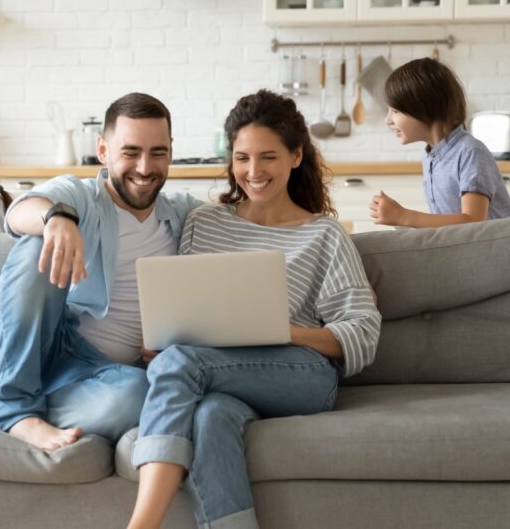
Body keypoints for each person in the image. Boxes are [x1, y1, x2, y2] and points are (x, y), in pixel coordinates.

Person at [127, 90, 381, 529]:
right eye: (242, 158)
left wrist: (284, 330)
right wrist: (162, 337)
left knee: (181, 363)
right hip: (217, 374)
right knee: (210, 416)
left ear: (296, 156)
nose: (253, 172)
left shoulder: (323, 235)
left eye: (268, 157)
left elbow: (362, 332)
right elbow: (185, 303)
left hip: (302, 375)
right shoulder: (206, 222)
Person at [0, 92, 201, 452]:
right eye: (130, 152)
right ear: (103, 150)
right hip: (18, 352)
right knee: (40, 240)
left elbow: (240, 229)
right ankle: (17, 408)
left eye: (157, 152)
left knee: (140, 394)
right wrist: (56, 219)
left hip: (88, 376)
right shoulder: (80, 195)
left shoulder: (183, 215)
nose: (144, 168)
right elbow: (18, 213)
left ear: (171, 151)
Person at [369, 58, 510, 228]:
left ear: (426, 107)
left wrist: (403, 216)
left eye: (395, 111)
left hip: (494, 252)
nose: (388, 120)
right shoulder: (430, 156)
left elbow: (474, 222)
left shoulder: (469, 152)